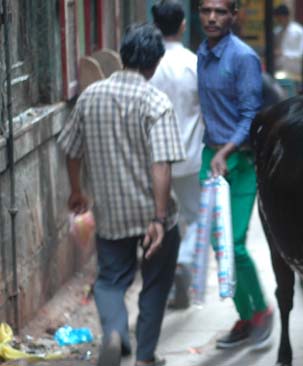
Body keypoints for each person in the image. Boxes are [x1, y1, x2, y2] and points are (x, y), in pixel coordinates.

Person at [57, 24, 186, 366]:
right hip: (151, 216)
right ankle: (145, 357)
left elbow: (70, 149)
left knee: (110, 281)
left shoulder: (90, 97)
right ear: (155, 63)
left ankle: (114, 332)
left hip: (111, 214)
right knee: (156, 285)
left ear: (123, 56)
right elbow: (162, 164)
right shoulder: (156, 102)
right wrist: (159, 218)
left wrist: (76, 191)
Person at [197, 0, 273, 350]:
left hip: (239, 161)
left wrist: (226, 152)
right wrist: (213, 153)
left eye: (220, 11)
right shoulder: (201, 52)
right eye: (205, 10)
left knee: (236, 244)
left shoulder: (243, 57)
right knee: (218, 246)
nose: (211, 17)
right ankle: (245, 317)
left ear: (233, 16)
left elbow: (249, 115)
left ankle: (262, 310)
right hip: (211, 159)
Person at [150, 0, 204, 310]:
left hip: (158, 158)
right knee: (195, 217)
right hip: (191, 153)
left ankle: (167, 278)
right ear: (183, 25)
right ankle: (184, 262)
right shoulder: (193, 63)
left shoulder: (150, 65)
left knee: (162, 218)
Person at [273, 4, 303, 78]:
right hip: (279, 71)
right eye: (277, 19)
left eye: (280, 18)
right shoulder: (276, 32)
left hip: (295, 71)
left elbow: (302, 53)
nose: (279, 21)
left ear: (287, 17)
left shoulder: (299, 31)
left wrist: (284, 53)